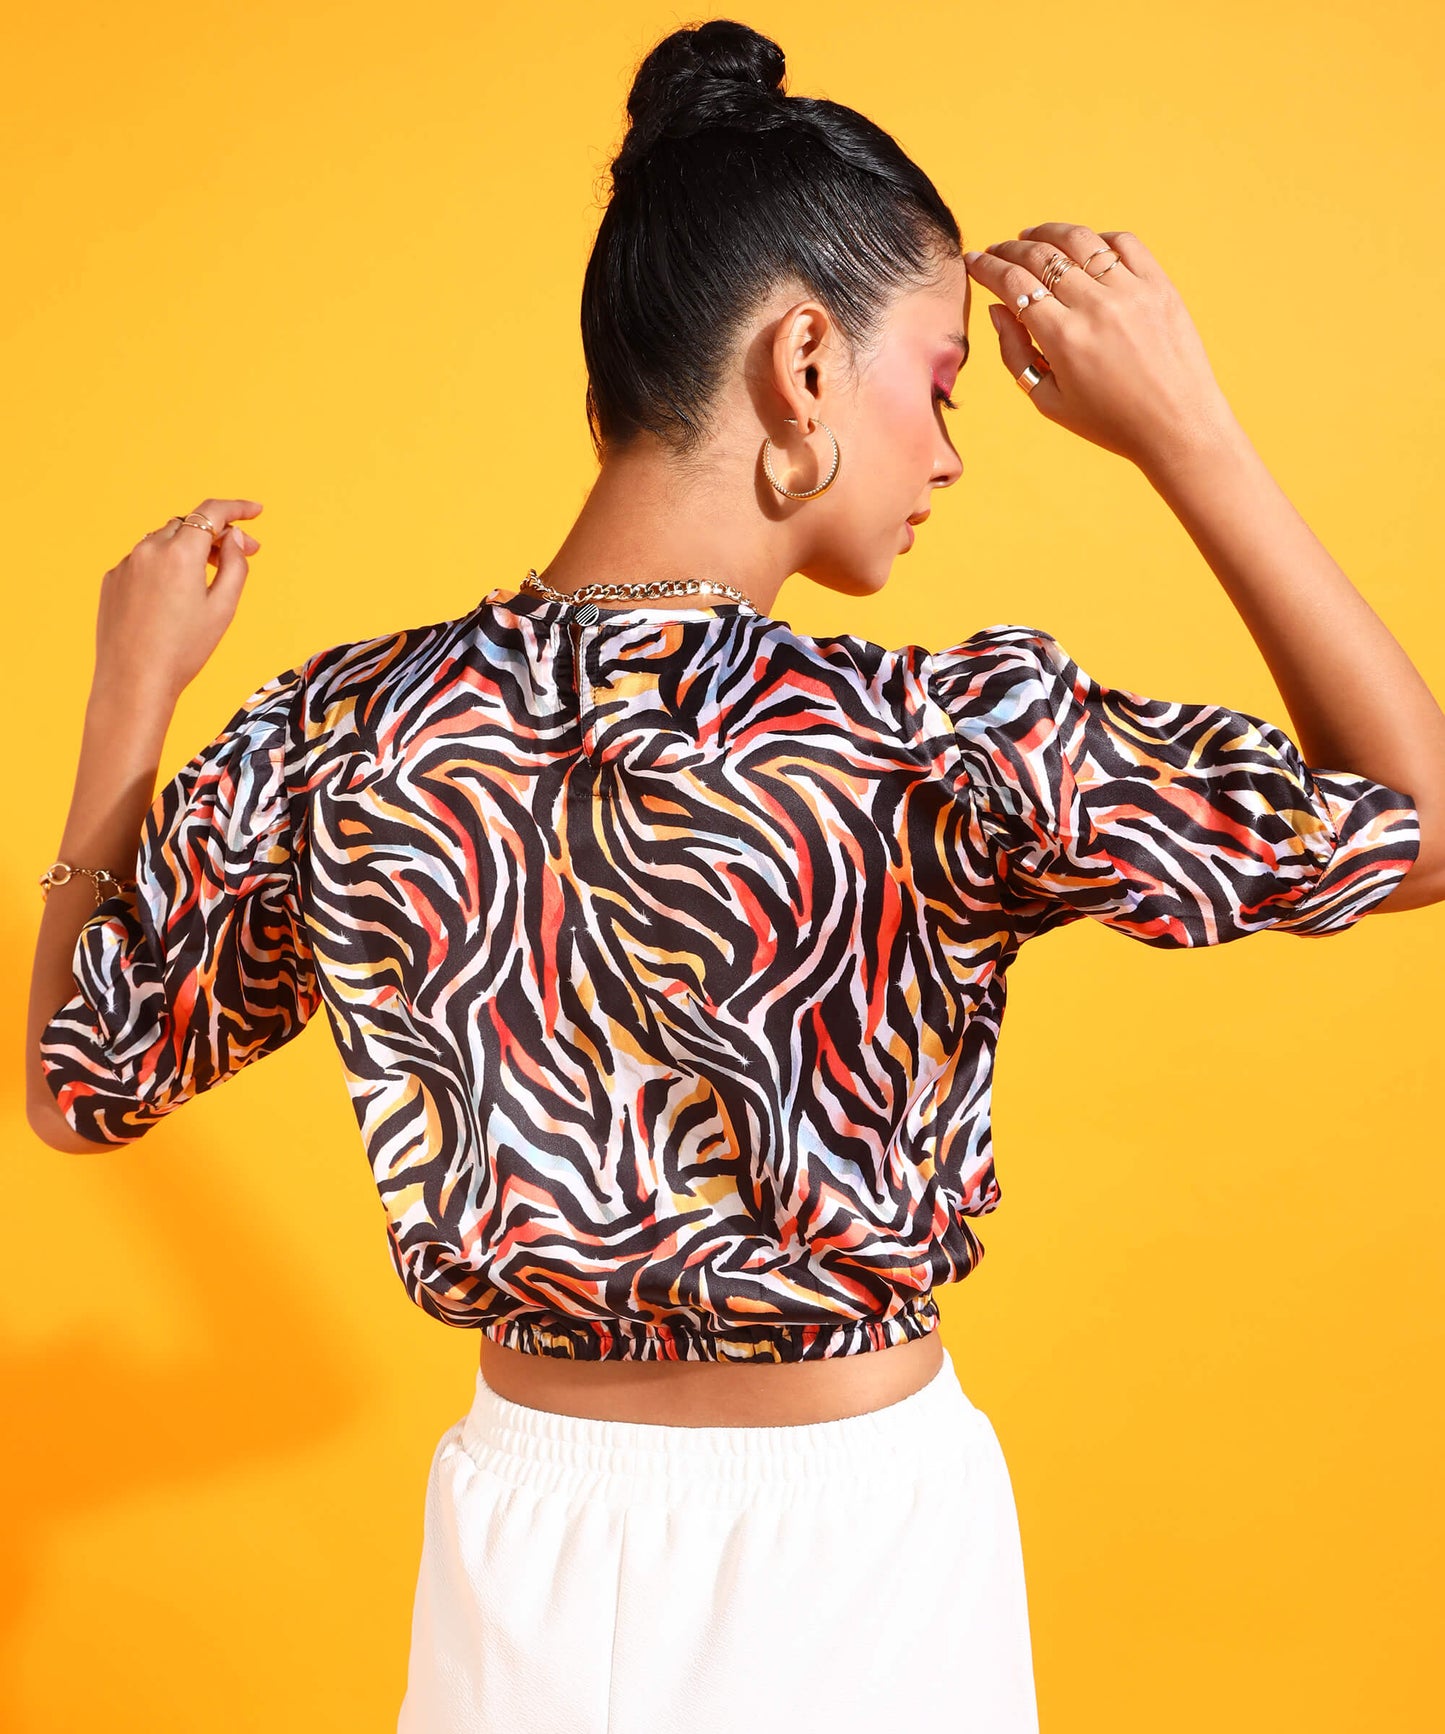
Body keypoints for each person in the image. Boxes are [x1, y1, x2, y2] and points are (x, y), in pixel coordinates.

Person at [24, 16, 1443, 1734]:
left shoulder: (350, 734)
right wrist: (1187, 432)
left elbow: (80, 1086)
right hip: (864, 1550)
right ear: (803, 362)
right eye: (938, 383)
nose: (948, 454)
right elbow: (1413, 816)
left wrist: (128, 702)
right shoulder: (936, 739)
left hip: (522, 1555)